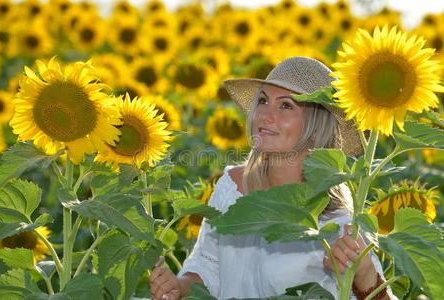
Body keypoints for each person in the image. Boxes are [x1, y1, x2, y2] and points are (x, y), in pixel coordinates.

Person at [150, 57, 395, 300]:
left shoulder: (337, 218)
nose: (264, 116)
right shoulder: (233, 185)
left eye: (286, 105)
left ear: (316, 126)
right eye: (264, 101)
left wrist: (365, 278)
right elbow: (207, 268)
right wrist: (179, 287)